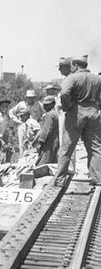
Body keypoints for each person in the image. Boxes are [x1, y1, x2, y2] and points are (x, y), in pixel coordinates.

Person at [57, 55, 101, 185]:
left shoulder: (72, 77)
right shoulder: (97, 78)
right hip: (94, 112)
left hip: (77, 112)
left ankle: (59, 179)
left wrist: (67, 106)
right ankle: (97, 178)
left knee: (67, 147)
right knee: (95, 147)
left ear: (75, 65)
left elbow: (65, 93)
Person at [37, 94, 61, 170]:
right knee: (53, 163)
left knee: (42, 165)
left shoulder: (50, 115)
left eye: (47, 105)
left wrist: (40, 142)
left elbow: (46, 130)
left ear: (53, 104)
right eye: (44, 104)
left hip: (49, 143)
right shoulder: (57, 114)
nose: (44, 106)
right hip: (56, 142)